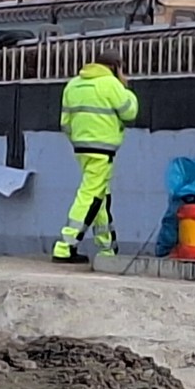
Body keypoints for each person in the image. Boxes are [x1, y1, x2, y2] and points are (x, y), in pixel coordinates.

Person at [52, 49, 138, 265]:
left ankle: (107, 248)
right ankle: (65, 246)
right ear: (116, 67)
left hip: (81, 148)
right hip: (103, 149)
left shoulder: (73, 85)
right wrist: (127, 90)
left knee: (100, 197)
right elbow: (130, 112)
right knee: (90, 195)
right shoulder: (111, 84)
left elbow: (65, 123)